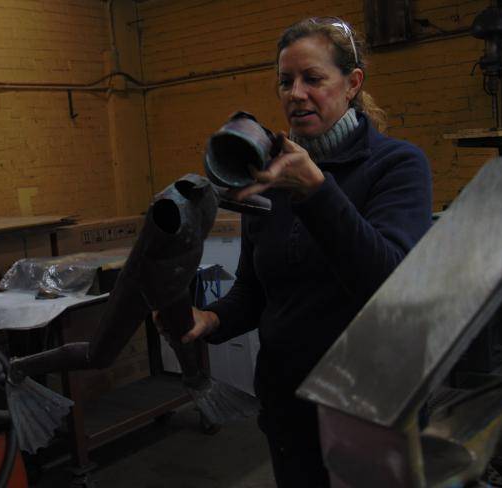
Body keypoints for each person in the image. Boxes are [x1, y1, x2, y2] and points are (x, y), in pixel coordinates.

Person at [174, 17, 432, 487]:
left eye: (313, 78)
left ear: (352, 83)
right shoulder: (270, 176)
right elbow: (257, 293)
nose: (295, 93)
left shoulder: (398, 165)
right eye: (285, 81)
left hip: (369, 404)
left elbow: (389, 284)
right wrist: (209, 320)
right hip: (287, 400)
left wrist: (315, 189)